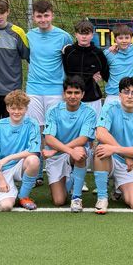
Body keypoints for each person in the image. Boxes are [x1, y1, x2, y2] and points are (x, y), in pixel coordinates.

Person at [26, 0, 73, 183]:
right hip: (34, 89)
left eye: (46, 16)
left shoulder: (64, 37)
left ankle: (59, 170)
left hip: (55, 90)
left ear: (52, 15)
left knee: (54, 131)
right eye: (39, 16)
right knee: (36, 130)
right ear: (34, 17)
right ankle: (37, 172)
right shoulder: (28, 36)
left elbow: (72, 60)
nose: (43, 19)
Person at [93, 77, 133, 213]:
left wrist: (116, 150)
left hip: (128, 165)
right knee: (101, 151)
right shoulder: (110, 107)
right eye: (126, 92)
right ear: (120, 95)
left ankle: (118, 188)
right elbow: (100, 134)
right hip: (110, 159)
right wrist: (126, 155)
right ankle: (102, 197)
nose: (129, 96)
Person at [42, 76, 99, 211]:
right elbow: (49, 138)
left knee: (80, 151)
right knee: (59, 201)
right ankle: (71, 179)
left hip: (72, 154)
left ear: (82, 94)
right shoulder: (53, 110)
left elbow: (83, 139)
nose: (73, 96)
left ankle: (76, 197)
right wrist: (66, 151)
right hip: (56, 158)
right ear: (64, 94)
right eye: (69, 92)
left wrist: (56, 150)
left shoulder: (89, 112)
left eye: (76, 93)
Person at [0, 89, 42, 211]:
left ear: (26, 109)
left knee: (34, 160)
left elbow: (33, 150)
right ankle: (10, 189)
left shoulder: (32, 124)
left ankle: (23, 196)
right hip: (1, 169)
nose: (16, 112)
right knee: (6, 207)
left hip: (20, 165)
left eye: (20, 108)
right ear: (7, 108)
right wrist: (1, 180)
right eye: (13, 108)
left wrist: (7, 158)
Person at [61, 19, 110, 116]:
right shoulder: (68, 52)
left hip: (92, 98)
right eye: (81, 33)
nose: (84, 36)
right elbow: (65, 72)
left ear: (92, 35)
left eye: (87, 34)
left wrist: (95, 79)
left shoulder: (98, 53)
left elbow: (106, 74)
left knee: (94, 124)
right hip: (72, 98)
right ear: (76, 34)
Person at [104, 25, 133, 106]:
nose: (124, 41)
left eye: (127, 38)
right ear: (115, 39)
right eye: (120, 38)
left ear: (131, 38)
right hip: (113, 95)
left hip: (131, 95)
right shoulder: (109, 53)